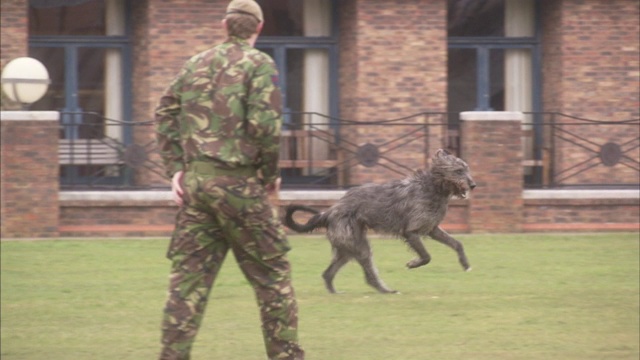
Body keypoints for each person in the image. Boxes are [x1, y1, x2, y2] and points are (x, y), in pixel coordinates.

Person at [154, 1, 304, 359]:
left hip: (198, 188)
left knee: (187, 284)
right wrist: (269, 177)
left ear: (224, 25)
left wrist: (176, 167)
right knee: (273, 277)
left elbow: (165, 109)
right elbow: (265, 127)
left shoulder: (194, 64)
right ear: (259, 27)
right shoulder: (259, 65)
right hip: (241, 189)